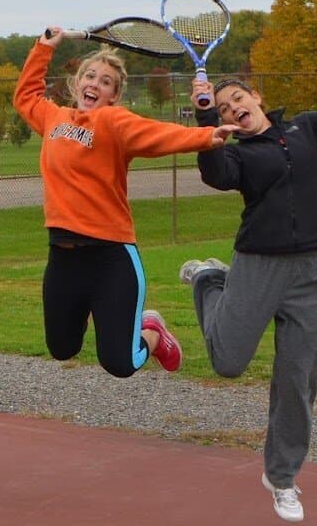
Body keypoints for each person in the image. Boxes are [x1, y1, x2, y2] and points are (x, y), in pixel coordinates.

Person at [180, 19, 317, 523]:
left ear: (257, 96)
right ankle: (209, 279)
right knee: (227, 361)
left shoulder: (308, 128)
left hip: (314, 271)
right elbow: (217, 175)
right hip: (259, 265)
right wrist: (207, 124)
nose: (234, 109)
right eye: (224, 107)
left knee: (298, 380)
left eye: (237, 100)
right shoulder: (239, 154)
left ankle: (283, 477)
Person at [13, 29, 238, 379]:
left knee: (120, 363)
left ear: (113, 95)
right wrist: (44, 46)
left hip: (110, 257)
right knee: (62, 348)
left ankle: (153, 331)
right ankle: (108, 316)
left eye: (105, 82)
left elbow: (159, 134)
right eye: (90, 76)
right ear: (76, 83)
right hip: (63, 258)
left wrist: (206, 136)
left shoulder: (113, 122)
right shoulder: (53, 118)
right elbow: (25, 95)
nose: (95, 84)